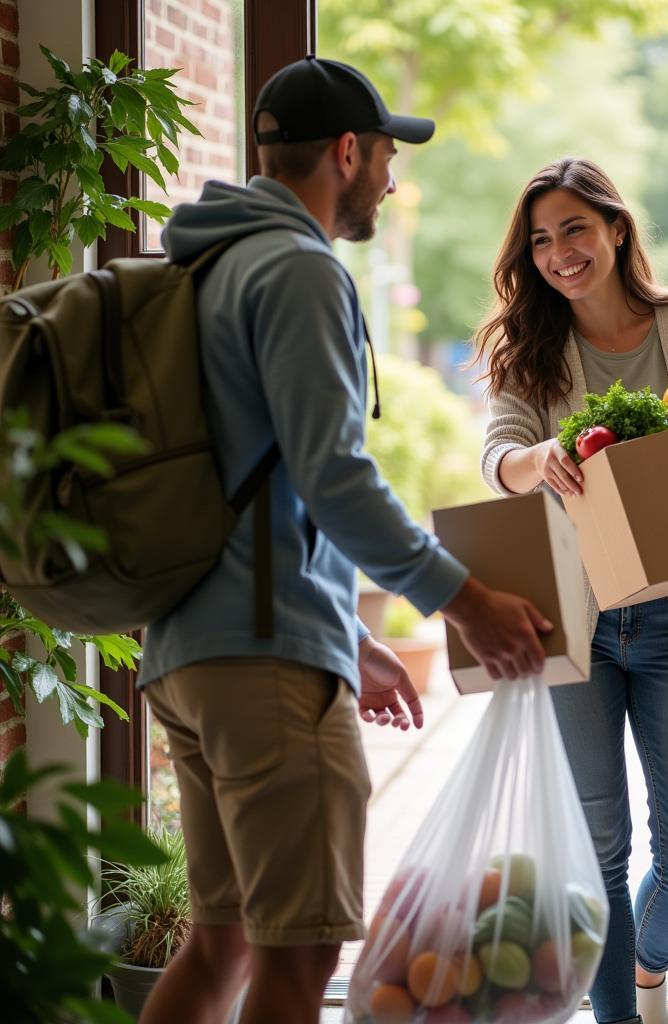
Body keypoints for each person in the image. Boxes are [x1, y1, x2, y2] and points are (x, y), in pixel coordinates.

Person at [136, 57, 552, 1024]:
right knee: (297, 952)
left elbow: (249, 481)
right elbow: (335, 475)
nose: (393, 182)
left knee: (222, 940)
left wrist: (348, 637)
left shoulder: (208, 265)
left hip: (191, 650)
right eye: (387, 159)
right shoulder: (300, 270)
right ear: (349, 153)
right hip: (263, 661)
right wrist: (466, 600)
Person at [475, 157, 668, 1024]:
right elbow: (496, 455)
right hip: (571, 624)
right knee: (599, 853)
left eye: (575, 228)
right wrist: (536, 459)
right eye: (540, 240)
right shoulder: (532, 351)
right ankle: (619, 1015)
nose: (558, 253)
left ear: (617, 229)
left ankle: (648, 966)